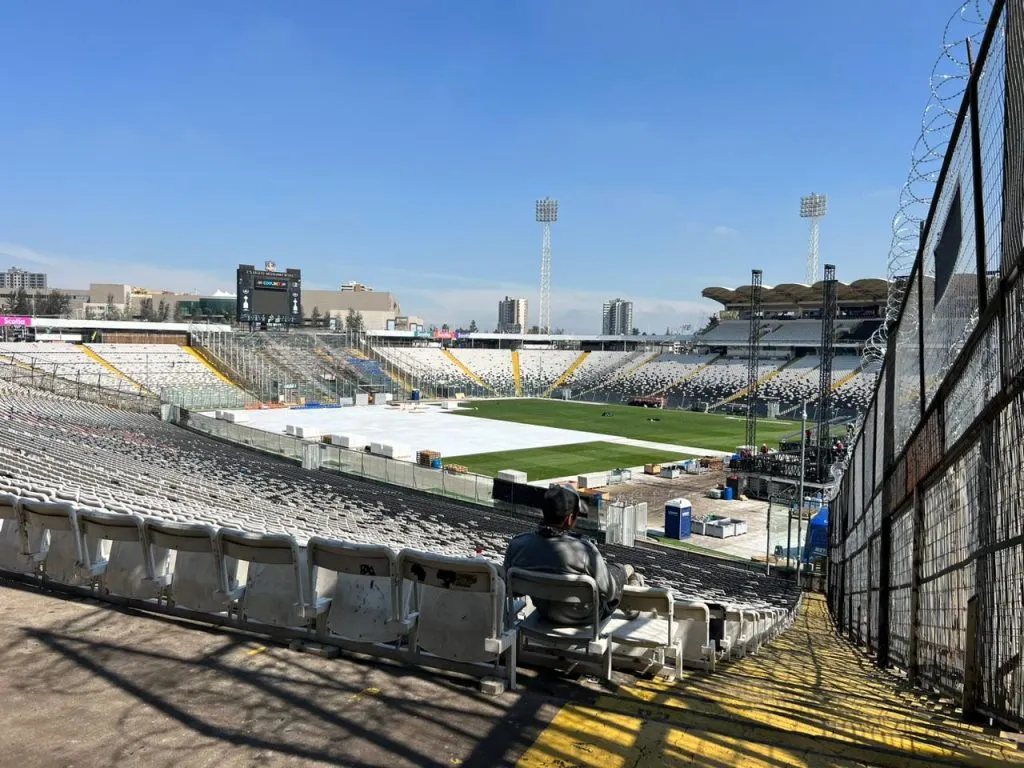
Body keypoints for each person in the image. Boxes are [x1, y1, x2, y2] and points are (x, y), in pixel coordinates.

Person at [503, 485, 643, 625]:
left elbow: (511, 589)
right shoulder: (585, 551)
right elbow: (610, 593)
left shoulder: (517, 545)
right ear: (569, 519)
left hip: (545, 614)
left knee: (605, 572)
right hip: (586, 619)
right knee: (619, 571)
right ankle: (632, 581)